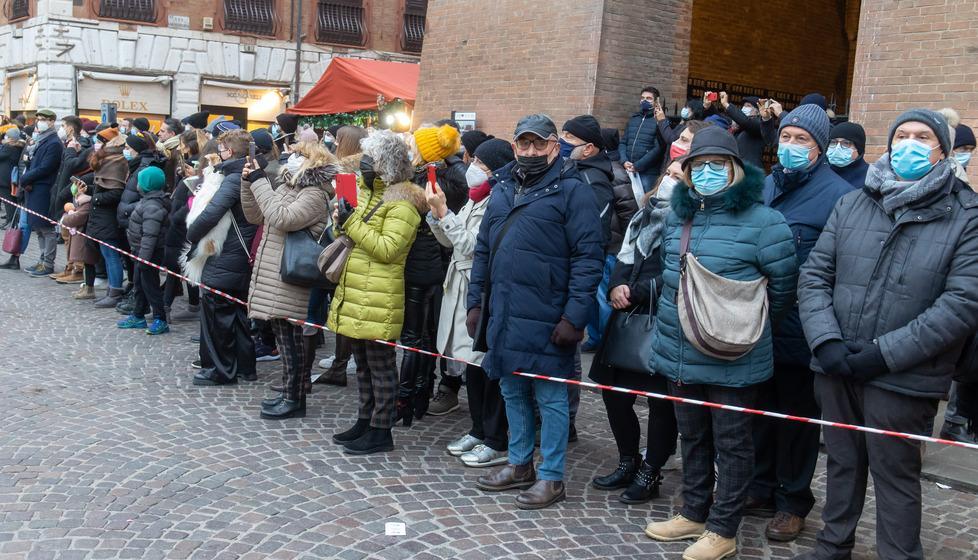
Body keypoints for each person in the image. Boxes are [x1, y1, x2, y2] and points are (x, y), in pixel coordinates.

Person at [796, 109, 978, 560]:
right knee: (841, 464)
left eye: (922, 136)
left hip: (904, 374)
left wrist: (884, 354)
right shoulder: (854, 201)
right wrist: (827, 341)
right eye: (902, 135)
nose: (909, 144)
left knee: (895, 476)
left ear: (942, 149)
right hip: (837, 366)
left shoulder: (967, 214)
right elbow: (815, 275)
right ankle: (832, 546)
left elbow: (962, 303)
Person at [643, 126, 797, 560]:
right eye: (698, 166)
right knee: (691, 436)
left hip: (736, 355)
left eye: (717, 165)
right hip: (679, 350)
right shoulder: (678, 217)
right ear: (687, 172)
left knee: (732, 444)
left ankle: (723, 529)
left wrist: (743, 328)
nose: (707, 173)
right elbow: (671, 277)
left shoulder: (767, 223)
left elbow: (782, 291)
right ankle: (693, 510)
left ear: (736, 169)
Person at [468, 114, 604, 510]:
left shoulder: (573, 190)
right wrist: (476, 302)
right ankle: (519, 463)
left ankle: (552, 476)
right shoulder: (504, 187)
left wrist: (574, 316)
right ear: (514, 147)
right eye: (522, 145)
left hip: (548, 313)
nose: (529, 151)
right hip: (505, 310)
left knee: (551, 397)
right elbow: (483, 249)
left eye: (538, 144)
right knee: (511, 389)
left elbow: (588, 258)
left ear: (553, 146)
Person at [747, 104, 854, 542]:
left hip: (800, 327)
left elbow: (835, 269)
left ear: (820, 147)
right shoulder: (767, 183)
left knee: (796, 420)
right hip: (757, 324)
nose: (790, 146)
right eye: (786, 137)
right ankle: (761, 486)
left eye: (801, 140)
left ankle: (793, 501)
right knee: (758, 412)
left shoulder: (838, 196)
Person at [589, 160, 683, 505]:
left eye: (679, 177)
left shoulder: (690, 220)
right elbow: (625, 255)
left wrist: (638, 291)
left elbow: (680, 269)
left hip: (664, 318)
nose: (671, 181)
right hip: (627, 316)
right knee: (614, 393)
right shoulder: (643, 214)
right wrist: (617, 285)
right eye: (669, 175)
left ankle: (651, 470)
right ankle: (628, 459)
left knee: (662, 403)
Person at [328, 130, 423, 454]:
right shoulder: (367, 192)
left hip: (380, 294)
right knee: (363, 364)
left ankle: (381, 430)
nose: (365, 163)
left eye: (373, 158)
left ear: (388, 165)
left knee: (381, 365)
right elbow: (352, 232)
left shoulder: (405, 202)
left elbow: (388, 249)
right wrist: (341, 218)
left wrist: (352, 223)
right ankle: (364, 420)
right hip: (357, 288)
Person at [430, 138, 514, 466]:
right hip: (462, 284)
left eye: (479, 162)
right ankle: (478, 429)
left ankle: (495, 437)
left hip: (479, 290)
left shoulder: (498, 199)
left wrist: (445, 214)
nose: (472, 167)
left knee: (485, 366)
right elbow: (451, 242)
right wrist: (437, 217)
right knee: (472, 366)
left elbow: (472, 246)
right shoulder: (474, 198)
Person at [241, 141, 337, 420]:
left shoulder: (315, 194)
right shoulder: (288, 186)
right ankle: (288, 392)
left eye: (298, 154)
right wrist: (249, 183)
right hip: (275, 271)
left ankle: (294, 398)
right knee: (284, 338)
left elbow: (281, 218)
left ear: (312, 161)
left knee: (292, 341)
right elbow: (257, 215)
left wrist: (260, 181)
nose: (291, 157)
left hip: (291, 273)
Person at [401, 124, 466, 419]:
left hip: (423, 264)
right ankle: (422, 392)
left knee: (418, 336)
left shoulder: (427, 185)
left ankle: (412, 397)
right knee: (426, 334)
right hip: (433, 265)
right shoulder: (447, 178)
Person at [187, 129, 258, 386]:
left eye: (221, 148)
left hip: (228, 254)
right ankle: (245, 366)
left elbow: (211, 214)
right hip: (240, 254)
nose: (218, 153)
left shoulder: (234, 178)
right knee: (236, 312)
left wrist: (191, 235)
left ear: (229, 151)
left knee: (218, 314)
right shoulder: (247, 173)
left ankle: (220, 370)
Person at [315, 125, 369, 385]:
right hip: (355, 242)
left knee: (345, 306)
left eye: (337, 141)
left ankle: (342, 362)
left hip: (349, 244)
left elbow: (345, 211)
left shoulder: (348, 171)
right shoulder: (358, 169)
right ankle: (343, 360)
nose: (333, 144)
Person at [559, 115, 615, 352]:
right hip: (574, 255)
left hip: (588, 257)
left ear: (588, 149)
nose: (562, 141)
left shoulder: (594, 179)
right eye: (563, 135)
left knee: (600, 302)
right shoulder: (573, 170)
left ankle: (607, 345)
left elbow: (595, 226)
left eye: (570, 137)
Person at [118, 167, 170, 335]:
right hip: (140, 252)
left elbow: (150, 236)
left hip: (148, 254)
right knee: (139, 284)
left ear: (147, 185)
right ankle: (138, 315)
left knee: (151, 287)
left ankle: (160, 318)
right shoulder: (147, 200)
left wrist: (144, 260)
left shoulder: (152, 206)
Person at [163, 129, 207, 321]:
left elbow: (192, 198)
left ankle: (168, 307)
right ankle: (188, 304)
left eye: (182, 144)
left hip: (184, 223)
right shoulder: (191, 163)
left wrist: (176, 216)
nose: (180, 148)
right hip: (181, 219)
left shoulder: (198, 165)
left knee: (182, 264)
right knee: (183, 265)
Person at [19, 109, 64, 277]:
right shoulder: (42, 139)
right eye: (38, 119)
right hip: (34, 188)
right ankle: (42, 259)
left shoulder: (54, 143)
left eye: (43, 119)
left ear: (52, 121)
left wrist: (25, 178)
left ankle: (48, 263)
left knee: (46, 228)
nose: (39, 122)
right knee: (37, 228)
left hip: (44, 189)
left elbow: (46, 167)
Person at [88, 131, 129, 307]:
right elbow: (102, 186)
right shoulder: (109, 160)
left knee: (111, 255)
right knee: (107, 254)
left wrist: (94, 199)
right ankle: (112, 290)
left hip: (108, 216)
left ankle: (115, 292)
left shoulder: (117, 162)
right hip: (101, 216)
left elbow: (115, 192)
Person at [621, 87, 665, 191]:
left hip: (648, 173)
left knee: (644, 201)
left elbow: (659, 149)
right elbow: (623, 142)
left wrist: (638, 165)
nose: (644, 100)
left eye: (649, 98)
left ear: (656, 101)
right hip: (627, 169)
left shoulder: (660, 121)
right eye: (642, 98)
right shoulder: (634, 118)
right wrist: (624, 160)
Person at [719, 92, 769, 168]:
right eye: (744, 106)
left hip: (750, 172)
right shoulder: (737, 126)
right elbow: (720, 117)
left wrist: (726, 105)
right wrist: (708, 107)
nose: (744, 108)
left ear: (758, 111)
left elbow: (746, 122)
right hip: (736, 169)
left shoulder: (760, 124)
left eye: (748, 106)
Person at [0, 127, 25, 265]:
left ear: (11, 138)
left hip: (6, 180)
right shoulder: (13, 147)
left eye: (6, 137)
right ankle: (10, 220)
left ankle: (11, 221)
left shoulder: (10, 148)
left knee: (9, 203)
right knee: (9, 202)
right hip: (7, 179)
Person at [827, 122, 871, 189]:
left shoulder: (870, 178)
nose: (837, 148)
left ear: (858, 149)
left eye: (846, 143)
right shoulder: (823, 173)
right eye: (833, 142)